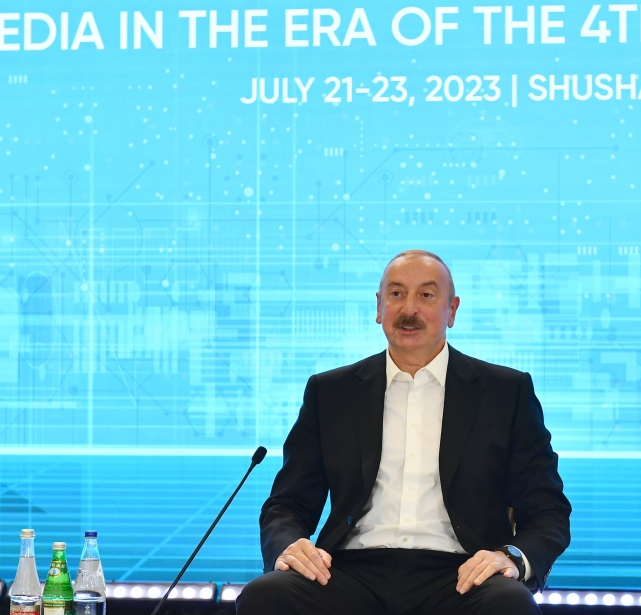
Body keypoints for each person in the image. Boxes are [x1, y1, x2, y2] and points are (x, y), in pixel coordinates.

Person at [236, 250, 571, 615]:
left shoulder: (505, 392)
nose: (409, 309)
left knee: (509, 603)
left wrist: (512, 558)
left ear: (452, 310)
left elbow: (547, 510)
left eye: (426, 295)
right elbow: (288, 504)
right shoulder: (331, 392)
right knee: (264, 596)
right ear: (379, 307)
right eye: (396, 294)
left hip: (463, 574)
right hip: (347, 572)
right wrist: (288, 545)